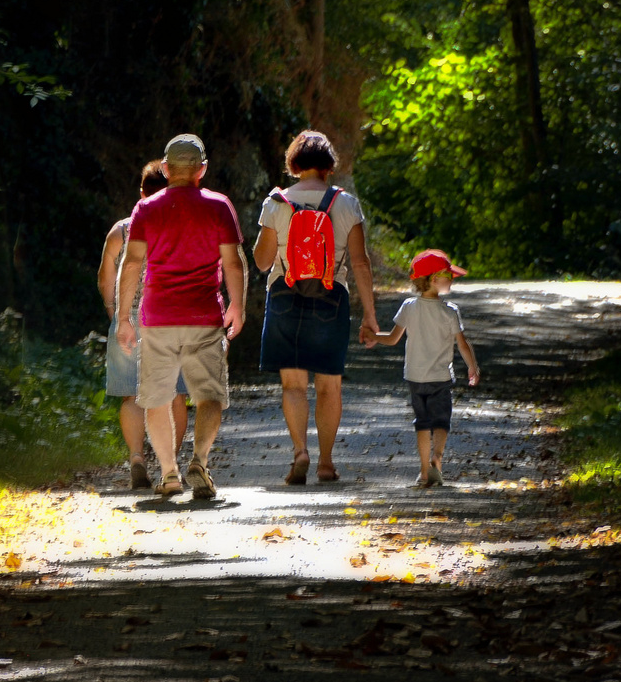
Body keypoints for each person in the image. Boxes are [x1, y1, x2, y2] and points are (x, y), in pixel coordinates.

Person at [116, 134, 246, 499]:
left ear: (167, 169)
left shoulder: (146, 209)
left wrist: (124, 316)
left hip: (157, 318)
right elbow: (233, 262)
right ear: (201, 170)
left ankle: (170, 473)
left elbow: (132, 264)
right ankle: (200, 461)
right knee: (209, 396)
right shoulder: (219, 206)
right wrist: (237, 305)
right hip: (204, 316)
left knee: (156, 397)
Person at [252, 130, 381, 484]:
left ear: (293, 164)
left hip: (284, 294)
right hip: (330, 296)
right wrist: (370, 315)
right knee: (330, 386)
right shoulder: (345, 203)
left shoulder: (275, 202)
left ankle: (300, 452)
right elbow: (360, 263)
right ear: (328, 166)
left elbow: (263, 262)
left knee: (293, 385)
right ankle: (325, 462)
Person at [97, 160, 189, 490]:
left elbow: (106, 278)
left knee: (132, 396)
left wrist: (116, 315)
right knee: (176, 394)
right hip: (169, 322)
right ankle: (170, 463)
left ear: (141, 193)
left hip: (130, 322)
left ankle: (137, 457)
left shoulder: (120, 231)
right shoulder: (181, 228)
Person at [369, 249, 480, 487]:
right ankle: (436, 459)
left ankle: (423, 470)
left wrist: (372, 336)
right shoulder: (449, 312)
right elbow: (462, 343)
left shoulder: (409, 307)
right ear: (432, 280)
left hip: (415, 377)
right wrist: (472, 367)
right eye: (447, 276)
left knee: (422, 422)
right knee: (441, 421)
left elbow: (392, 338)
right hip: (441, 378)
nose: (451, 280)